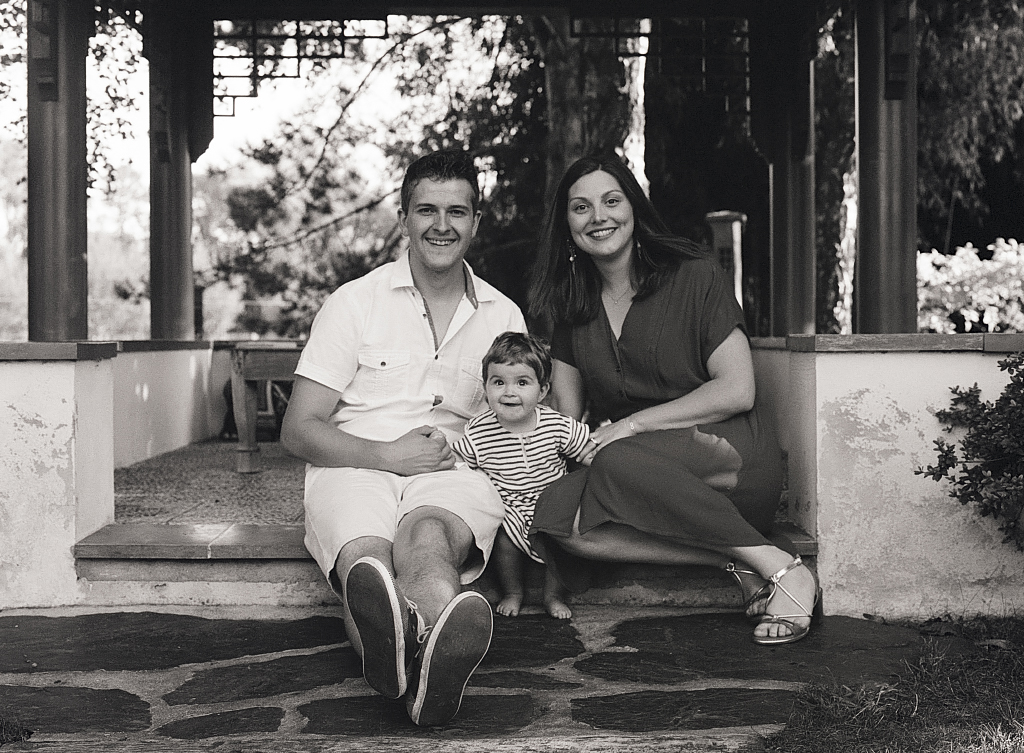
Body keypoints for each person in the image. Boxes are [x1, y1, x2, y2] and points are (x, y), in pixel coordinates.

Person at [527, 154, 821, 646]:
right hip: (639, 473)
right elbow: (566, 418)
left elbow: (737, 389)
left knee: (614, 458)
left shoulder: (693, 275)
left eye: (611, 201)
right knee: (557, 518)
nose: (598, 217)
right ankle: (743, 561)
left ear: (634, 208)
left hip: (729, 459)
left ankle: (788, 572)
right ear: (566, 225)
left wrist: (632, 424)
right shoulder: (572, 304)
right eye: (581, 207)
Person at [280, 149, 527, 726]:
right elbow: (299, 428)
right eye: (427, 210)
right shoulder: (353, 303)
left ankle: (412, 655)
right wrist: (388, 455)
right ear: (404, 217)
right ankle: (425, 663)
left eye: (457, 212)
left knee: (428, 541)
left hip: (451, 470)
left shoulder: (503, 315)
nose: (442, 225)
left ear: (475, 221)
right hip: (353, 463)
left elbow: (521, 419)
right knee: (367, 561)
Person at [452, 331, 595, 620]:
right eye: (498, 382)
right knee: (503, 542)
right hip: (508, 508)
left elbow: (587, 451)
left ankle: (553, 596)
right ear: (486, 387)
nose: (509, 392)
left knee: (560, 540)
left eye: (522, 383)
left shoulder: (555, 425)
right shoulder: (479, 432)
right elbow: (460, 465)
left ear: (542, 391)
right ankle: (513, 592)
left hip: (550, 505)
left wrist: (593, 471)